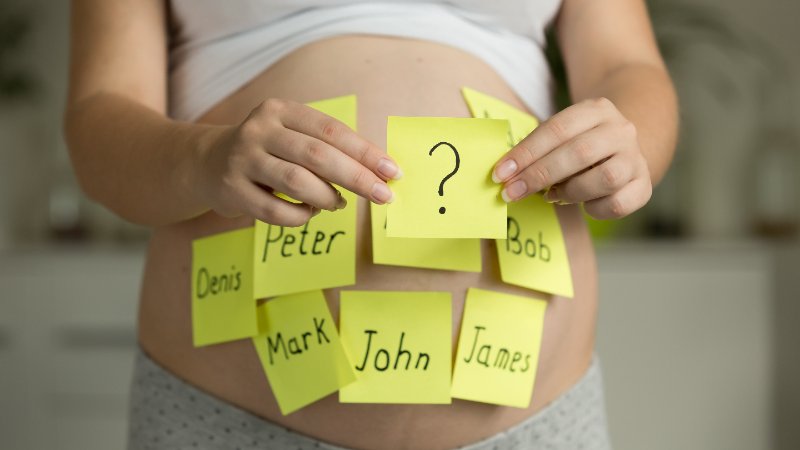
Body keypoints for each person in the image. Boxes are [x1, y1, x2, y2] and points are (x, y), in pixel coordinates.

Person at [65, 0, 677, 449]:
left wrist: (632, 144)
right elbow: (98, 121)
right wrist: (201, 160)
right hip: (228, 417)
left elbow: (628, 65)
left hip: (531, 419)